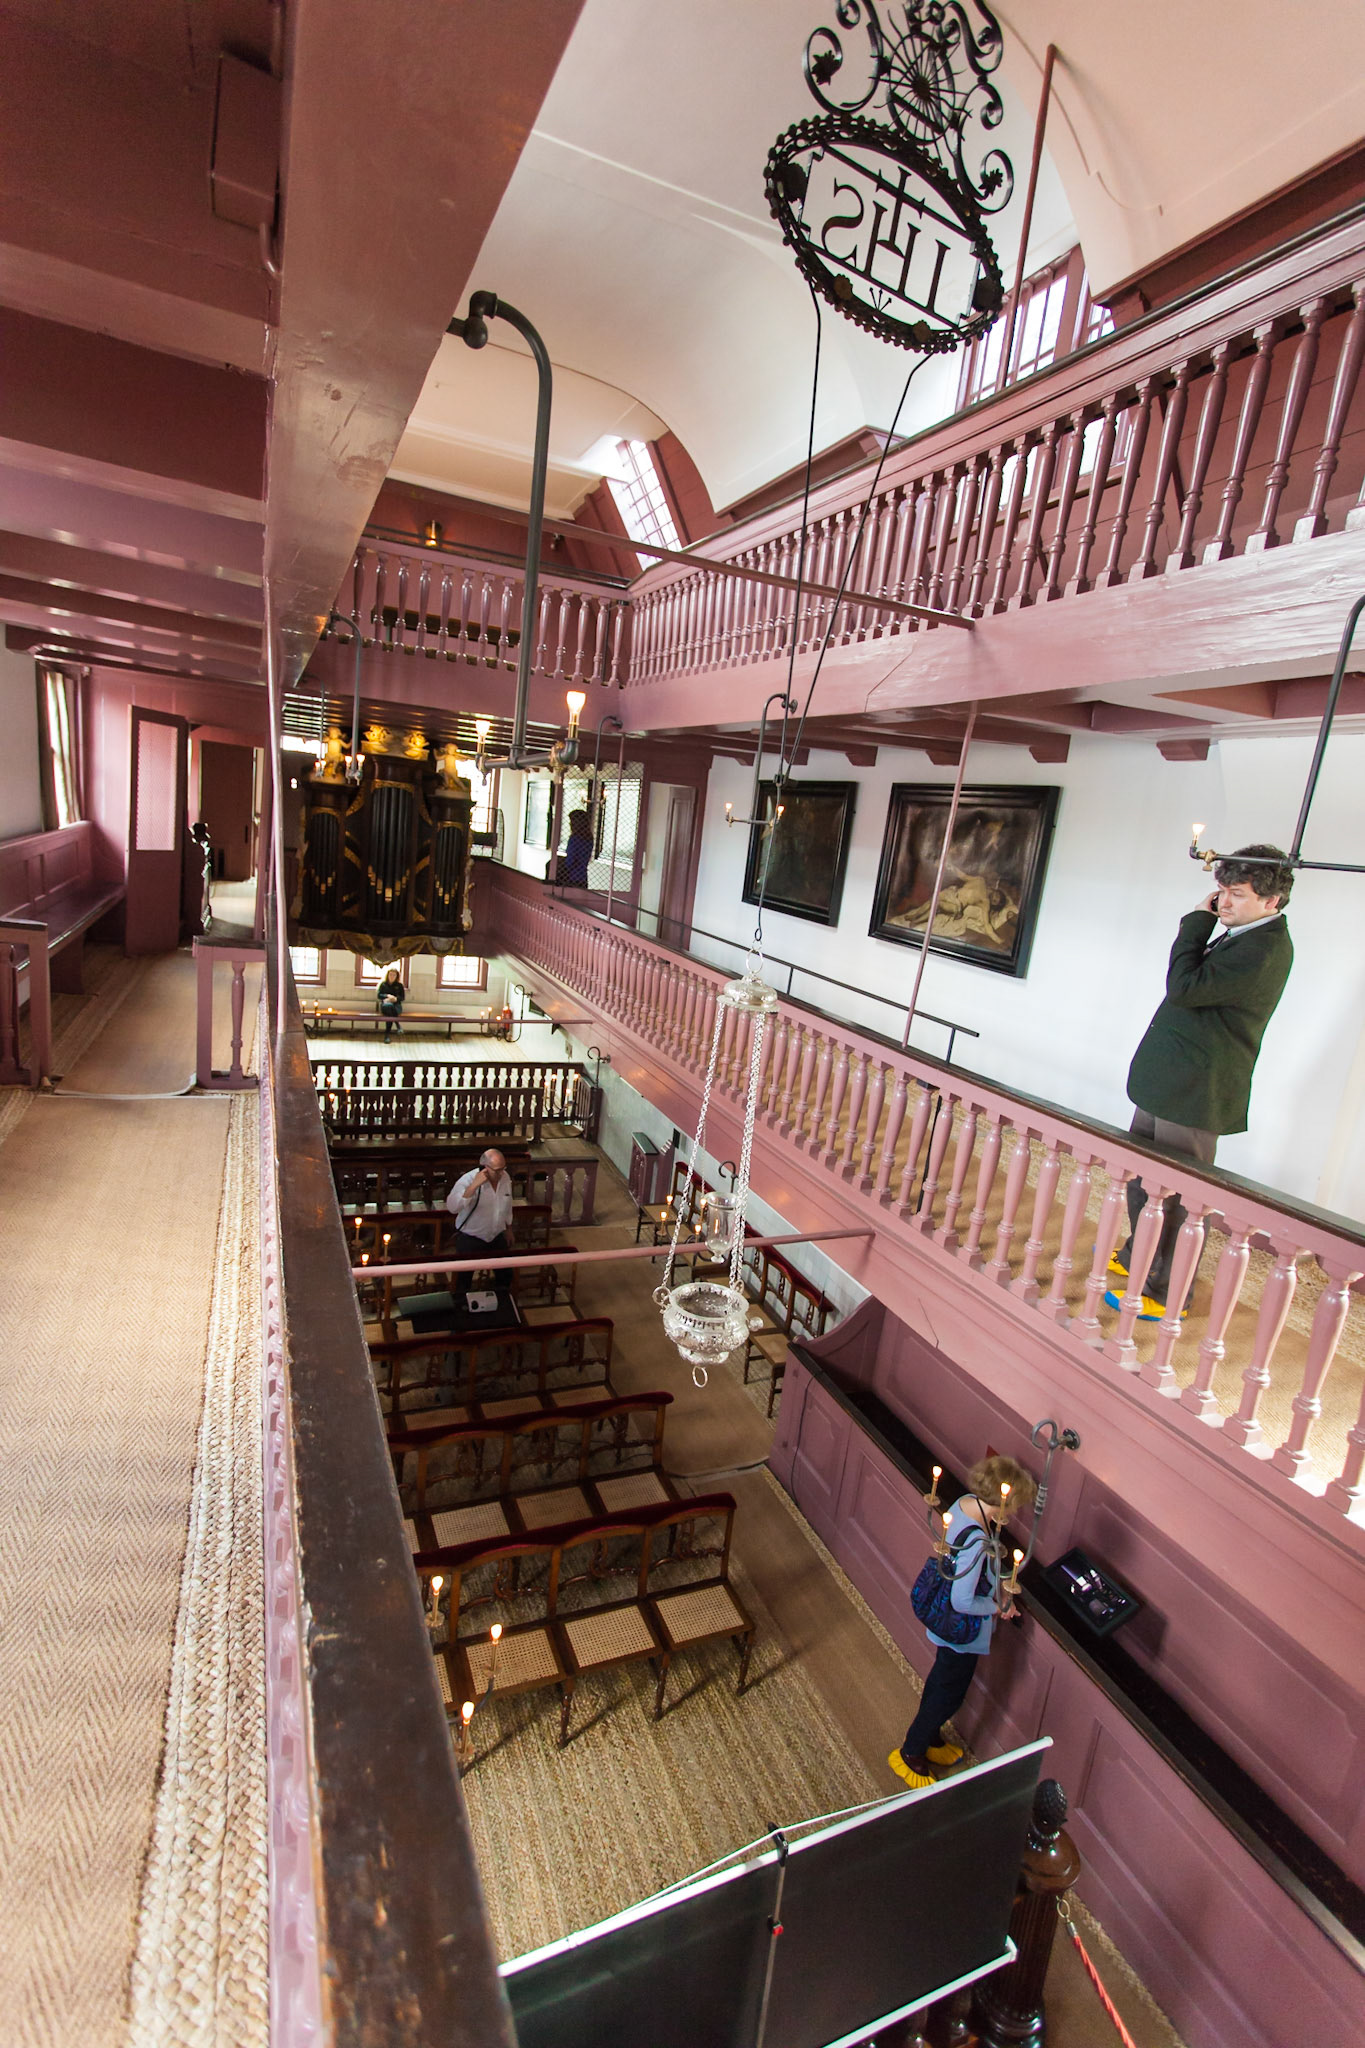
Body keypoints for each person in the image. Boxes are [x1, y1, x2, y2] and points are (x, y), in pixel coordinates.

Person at [1109, 845, 1294, 1320]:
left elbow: (1184, 988)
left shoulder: (1265, 947)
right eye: (1221, 892)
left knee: (1176, 1197)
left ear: (1272, 901)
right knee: (1143, 1182)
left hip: (1195, 1091)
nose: (1224, 902)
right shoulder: (1244, 935)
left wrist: (1195, 922)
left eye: (1237, 894)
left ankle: (1168, 1292)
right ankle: (1139, 1258)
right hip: (1170, 1080)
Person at [890, 1454, 1037, 1791]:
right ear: (1002, 1503)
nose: (1014, 1514)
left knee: (941, 1683)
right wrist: (998, 1606)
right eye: (1014, 1507)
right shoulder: (977, 1542)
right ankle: (912, 1750)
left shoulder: (962, 1504)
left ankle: (929, 1736)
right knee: (948, 1694)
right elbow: (962, 1599)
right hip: (960, 1629)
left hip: (946, 1618)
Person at [445, 1149, 515, 1304]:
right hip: (471, 1237)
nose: (501, 1173)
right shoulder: (468, 1180)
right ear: (484, 1167)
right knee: (464, 1279)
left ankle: (501, 1307)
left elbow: (507, 1204)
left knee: (505, 1274)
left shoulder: (505, 1177)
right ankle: (461, 1312)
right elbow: (452, 1206)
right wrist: (473, 1187)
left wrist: (509, 1228)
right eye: (497, 1170)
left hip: (496, 1235)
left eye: (504, 1168)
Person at [558, 808, 594, 888]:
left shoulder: (574, 838)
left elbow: (570, 861)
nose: (570, 824)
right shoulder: (589, 838)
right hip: (582, 877)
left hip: (571, 877)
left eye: (572, 822)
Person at [376, 966, 406, 1041]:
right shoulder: (383, 984)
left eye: (394, 975)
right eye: (390, 974)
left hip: (396, 1006)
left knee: (390, 1013)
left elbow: (402, 997)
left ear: (397, 976)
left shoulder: (399, 986)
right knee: (389, 1006)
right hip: (385, 1006)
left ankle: (387, 1035)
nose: (392, 976)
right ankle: (398, 1025)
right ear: (387, 975)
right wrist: (387, 996)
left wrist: (395, 999)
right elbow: (379, 995)